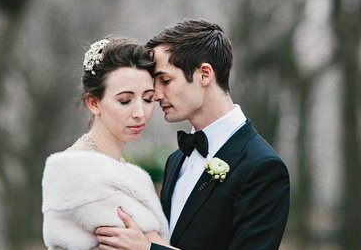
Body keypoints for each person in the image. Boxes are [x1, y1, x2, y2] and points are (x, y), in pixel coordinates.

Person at [96, 19, 290, 250]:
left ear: (204, 74)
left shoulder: (263, 168)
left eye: (165, 80)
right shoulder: (175, 160)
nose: (156, 94)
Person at [41, 37, 169, 250]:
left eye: (147, 99)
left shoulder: (132, 174)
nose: (140, 113)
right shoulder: (79, 171)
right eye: (125, 101)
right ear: (94, 102)